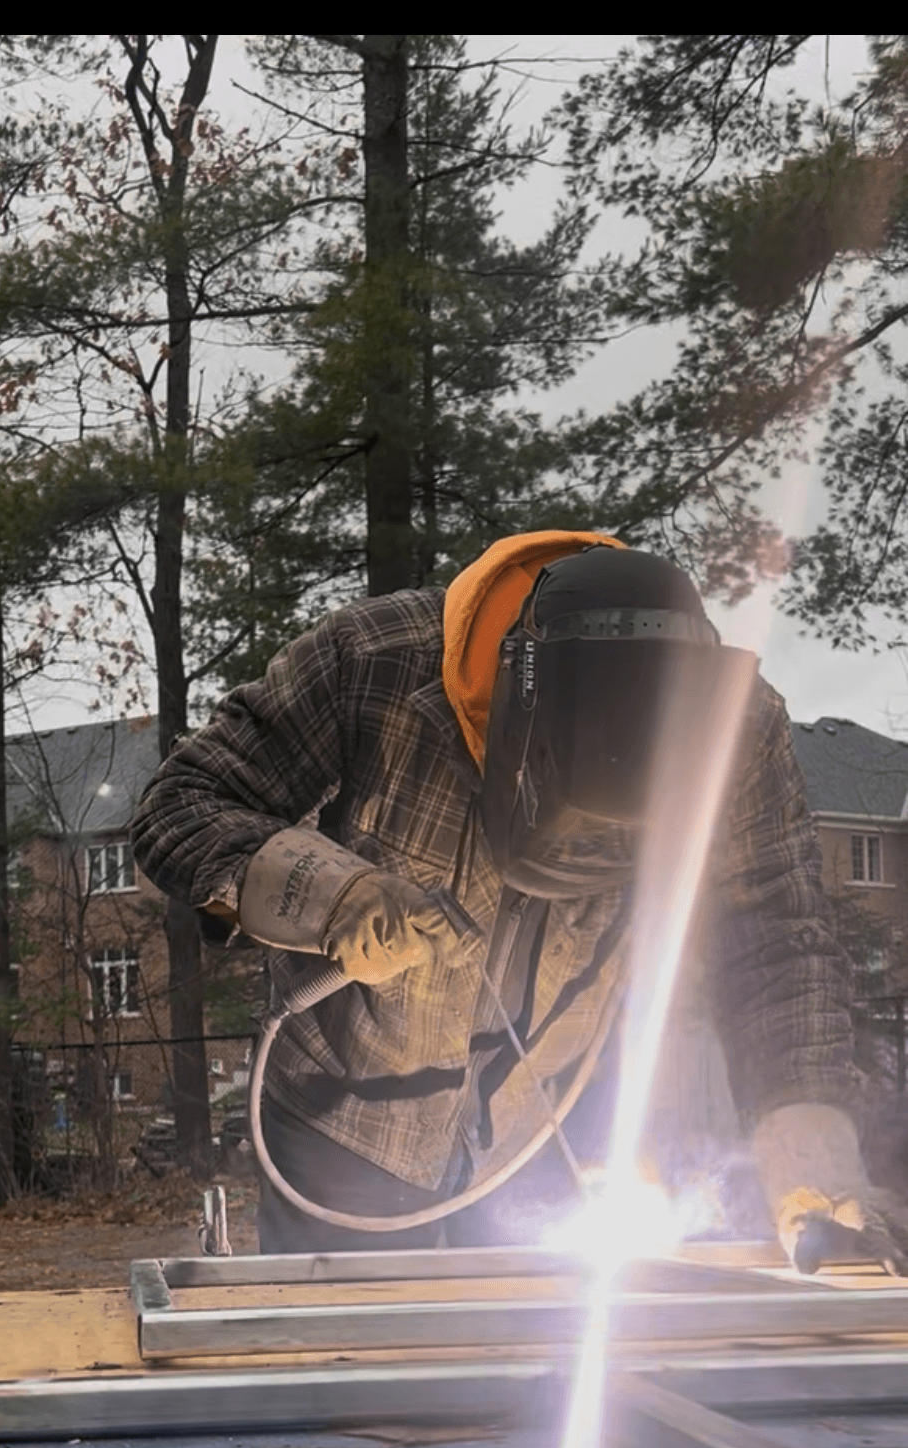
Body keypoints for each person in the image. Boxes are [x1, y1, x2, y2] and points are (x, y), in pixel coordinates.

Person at [134, 529, 898, 1266]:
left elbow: (771, 932)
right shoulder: (374, 663)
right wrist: (334, 894)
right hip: (347, 1113)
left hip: (551, 1118)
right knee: (353, 1371)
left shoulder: (736, 727)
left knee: (541, 1377)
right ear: (511, 701)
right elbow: (183, 804)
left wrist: (812, 1155)